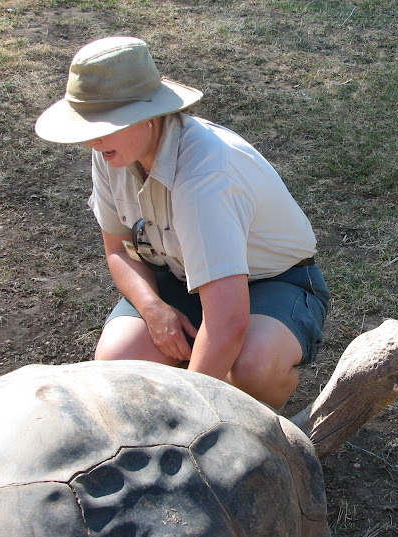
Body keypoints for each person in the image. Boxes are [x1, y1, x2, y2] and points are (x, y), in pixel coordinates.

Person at [35, 36, 330, 409]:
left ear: (148, 115)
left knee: (250, 368)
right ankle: (198, 372)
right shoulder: (113, 151)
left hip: (274, 281)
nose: (91, 141)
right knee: (115, 366)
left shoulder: (206, 174)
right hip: (179, 278)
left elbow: (226, 323)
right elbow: (118, 249)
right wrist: (153, 309)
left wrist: (189, 420)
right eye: (86, 126)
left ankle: (261, 433)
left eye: (104, 124)